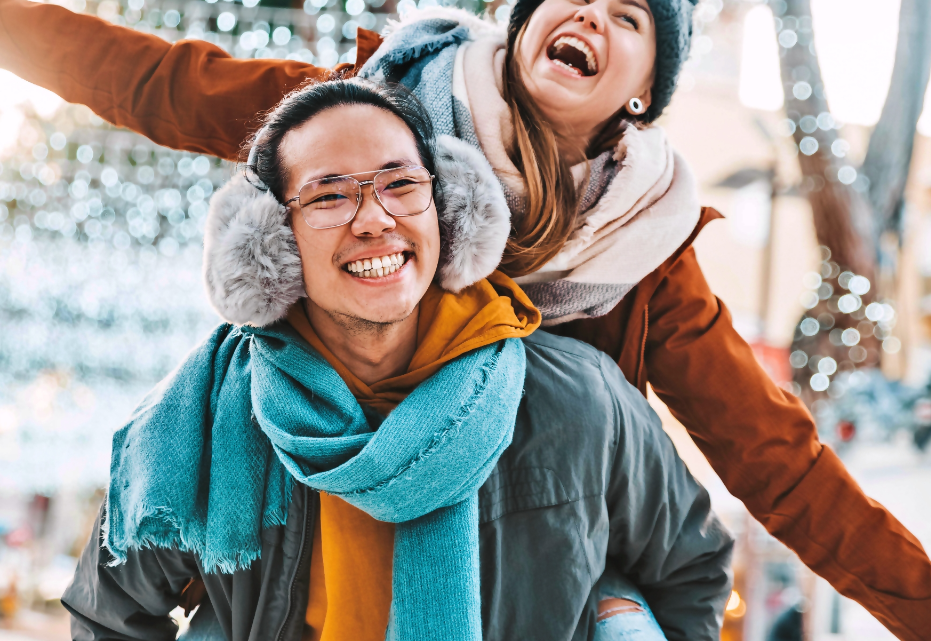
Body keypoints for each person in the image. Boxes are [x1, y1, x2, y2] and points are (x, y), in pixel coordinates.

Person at [2, 0, 931, 641]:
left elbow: (777, 462)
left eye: (627, 15)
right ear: (524, 26)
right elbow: (163, 80)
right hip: (312, 523)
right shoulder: (368, 119)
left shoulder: (645, 256)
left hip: (514, 573)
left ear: (642, 90)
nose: (589, 16)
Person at [61, 78, 734, 641]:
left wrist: (622, 615)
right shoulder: (206, 416)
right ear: (273, 242)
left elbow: (692, 573)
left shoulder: (579, 400)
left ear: (449, 209)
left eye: (400, 184)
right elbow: (108, 614)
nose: (375, 219)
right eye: (328, 195)